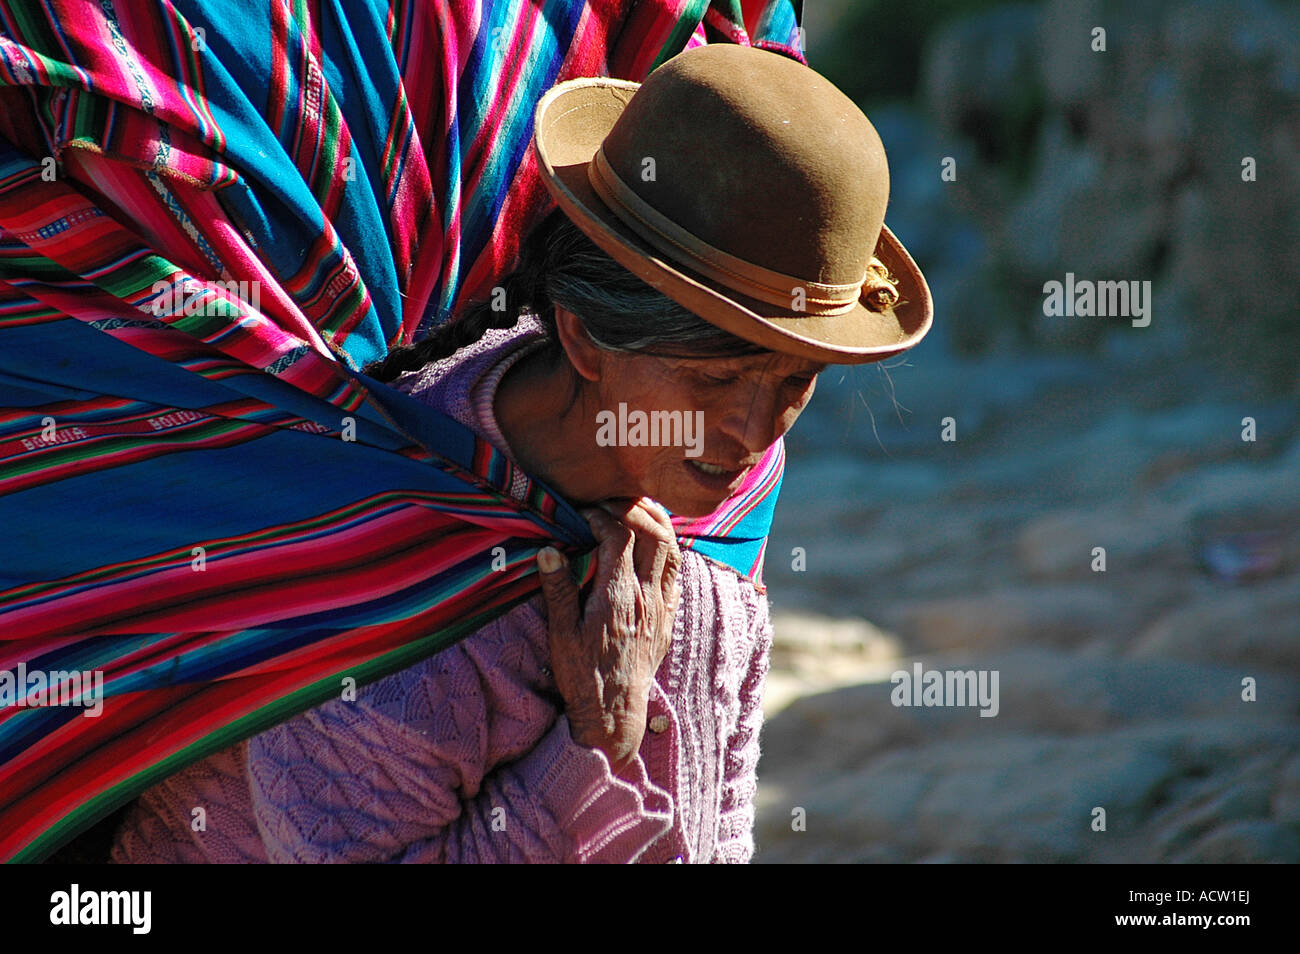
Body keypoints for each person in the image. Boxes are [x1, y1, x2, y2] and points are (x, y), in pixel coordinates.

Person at [109, 42, 932, 863]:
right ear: (582, 333)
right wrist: (600, 745)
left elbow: (717, 826)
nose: (756, 435)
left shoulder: (720, 490)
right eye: (715, 379)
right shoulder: (394, 563)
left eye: (796, 382)